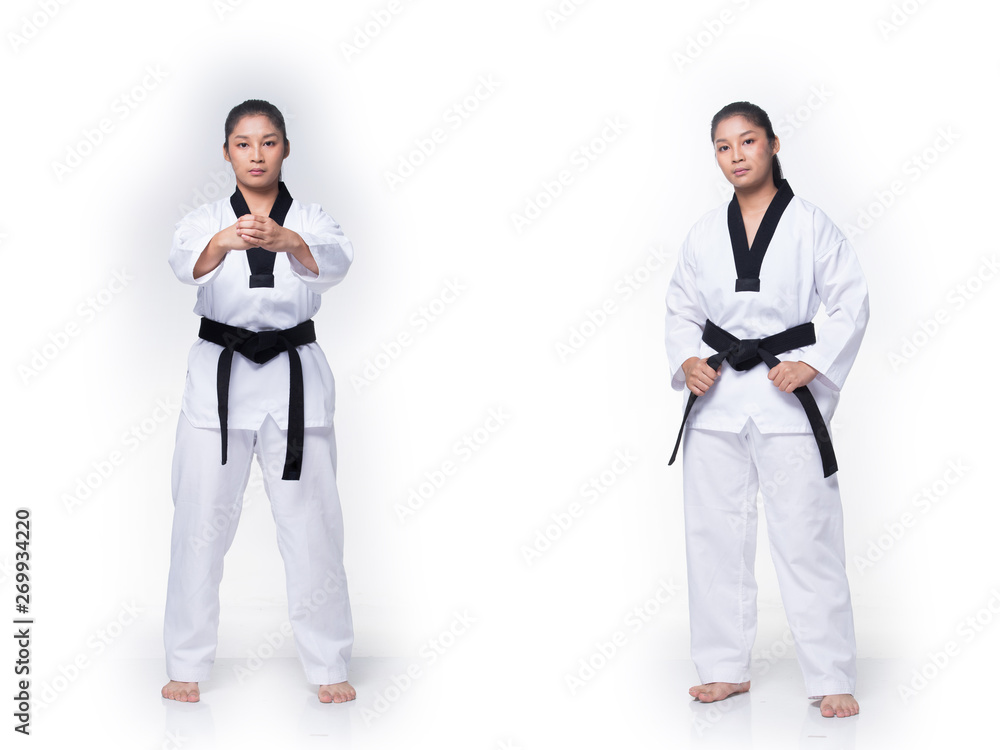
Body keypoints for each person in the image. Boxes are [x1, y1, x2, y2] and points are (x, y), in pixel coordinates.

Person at [664, 101, 868, 718]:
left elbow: (850, 303)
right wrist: (688, 362)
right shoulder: (704, 232)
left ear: (773, 145)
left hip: (786, 399)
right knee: (713, 537)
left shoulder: (811, 225)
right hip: (717, 401)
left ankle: (830, 674)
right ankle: (723, 669)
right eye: (723, 146)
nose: (736, 156)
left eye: (747, 141)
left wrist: (814, 364)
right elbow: (681, 309)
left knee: (807, 536)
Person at [161, 99, 356, 704]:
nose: (256, 154)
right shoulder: (204, 220)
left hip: (295, 382)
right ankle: (185, 663)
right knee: (198, 526)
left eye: (268, 142)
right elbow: (182, 265)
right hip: (217, 383)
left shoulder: (313, 219)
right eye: (243, 144)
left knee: (313, 527)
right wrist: (222, 242)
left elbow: (338, 263)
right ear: (226, 152)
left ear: (285, 149)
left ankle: (329, 664)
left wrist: (290, 240)